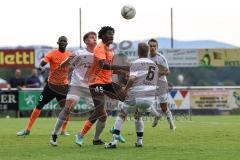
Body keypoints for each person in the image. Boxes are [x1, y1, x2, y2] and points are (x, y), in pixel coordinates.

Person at [50, 31, 110, 146]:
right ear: (86, 41)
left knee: (103, 114)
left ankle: (96, 139)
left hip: (91, 86)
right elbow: (63, 65)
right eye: (91, 37)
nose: (94, 38)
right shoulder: (79, 53)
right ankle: (54, 134)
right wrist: (68, 59)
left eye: (95, 37)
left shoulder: (99, 54)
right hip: (76, 85)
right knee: (68, 108)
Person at [75, 26, 129, 146]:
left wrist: (120, 72)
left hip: (107, 82)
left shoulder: (110, 50)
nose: (112, 36)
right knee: (100, 112)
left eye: (113, 34)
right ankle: (80, 135)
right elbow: (103, 65)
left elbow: (108, 69)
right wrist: (122, 67)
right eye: (109, 34)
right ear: (102, 35)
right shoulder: (99, 47)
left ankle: (111, 131)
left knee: (128, 99)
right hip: (96, 82)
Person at [106, 42, 159, 148]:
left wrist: (125, 90)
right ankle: (139, 142)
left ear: (138, 52)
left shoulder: (136, 63)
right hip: (150, 98)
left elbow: (132, 79)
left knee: (122, 114)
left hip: (137, 95)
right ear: (147, 51)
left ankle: (114, 142)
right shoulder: (154, 65)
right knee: (137, 115)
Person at [16, 36, 71, 136]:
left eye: (65, 41)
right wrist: (41, 67)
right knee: (39, 106)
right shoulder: (52, 53)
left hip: (63, 87)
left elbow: (76, 66)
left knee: (66, 109)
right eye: (61, 41)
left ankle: (63, 131)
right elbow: (42, 63)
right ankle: (27, 130)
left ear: (67, 43)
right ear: (58, 42)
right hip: (50, 86)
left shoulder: (69, 55)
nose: (63, 43)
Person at [148, 38, 176, 130]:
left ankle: (172, 124)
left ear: (157, 47)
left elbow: (168, 72)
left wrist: (159, 73)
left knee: (164, 107)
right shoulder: (145, 58)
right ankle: (156, 115)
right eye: (151, 46)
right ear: (148, 47)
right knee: (146, 102)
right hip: (149, 83)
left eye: (154, 46)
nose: (152, 47)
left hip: (161, 83)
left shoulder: (161, 58)